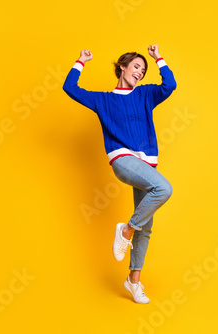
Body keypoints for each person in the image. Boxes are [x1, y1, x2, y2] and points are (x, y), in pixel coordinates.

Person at [63, 45, 177, 304]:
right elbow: (70, 88)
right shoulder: (103, 100)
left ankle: (133, 282)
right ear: (122, 67)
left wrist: (158, 58)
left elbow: (169, 85)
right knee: (164, 189)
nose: (140, 72)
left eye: (143, 70)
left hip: (147, 164)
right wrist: (80, 61)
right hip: (122, 159)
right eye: (136, 66)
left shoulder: (146, 94)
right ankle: (126, 230)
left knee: (146, 228)